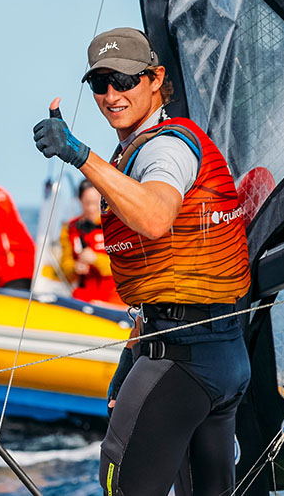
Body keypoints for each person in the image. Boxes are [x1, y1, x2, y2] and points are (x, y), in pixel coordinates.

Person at [33, 27, 251, 496]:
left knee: (119, 483)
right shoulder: (149, 145)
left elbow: (155, 217)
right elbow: (166, 273)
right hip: (219, 353)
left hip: (183, 359)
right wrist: (134, 351)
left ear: (156, 79)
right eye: (99, 84)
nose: (112, 95)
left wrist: (79, 155)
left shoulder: (164, 147)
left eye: (125, 80)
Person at [59, 179, 123, 305]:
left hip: (115, 298)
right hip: (84, 297)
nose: (91, 208)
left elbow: (125, 266)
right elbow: (65, 268)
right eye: (87, 203)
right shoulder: (70, 228)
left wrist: (95, 259)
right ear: (80, 201)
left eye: (95, 203)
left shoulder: (117, 225)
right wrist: (75, 268)